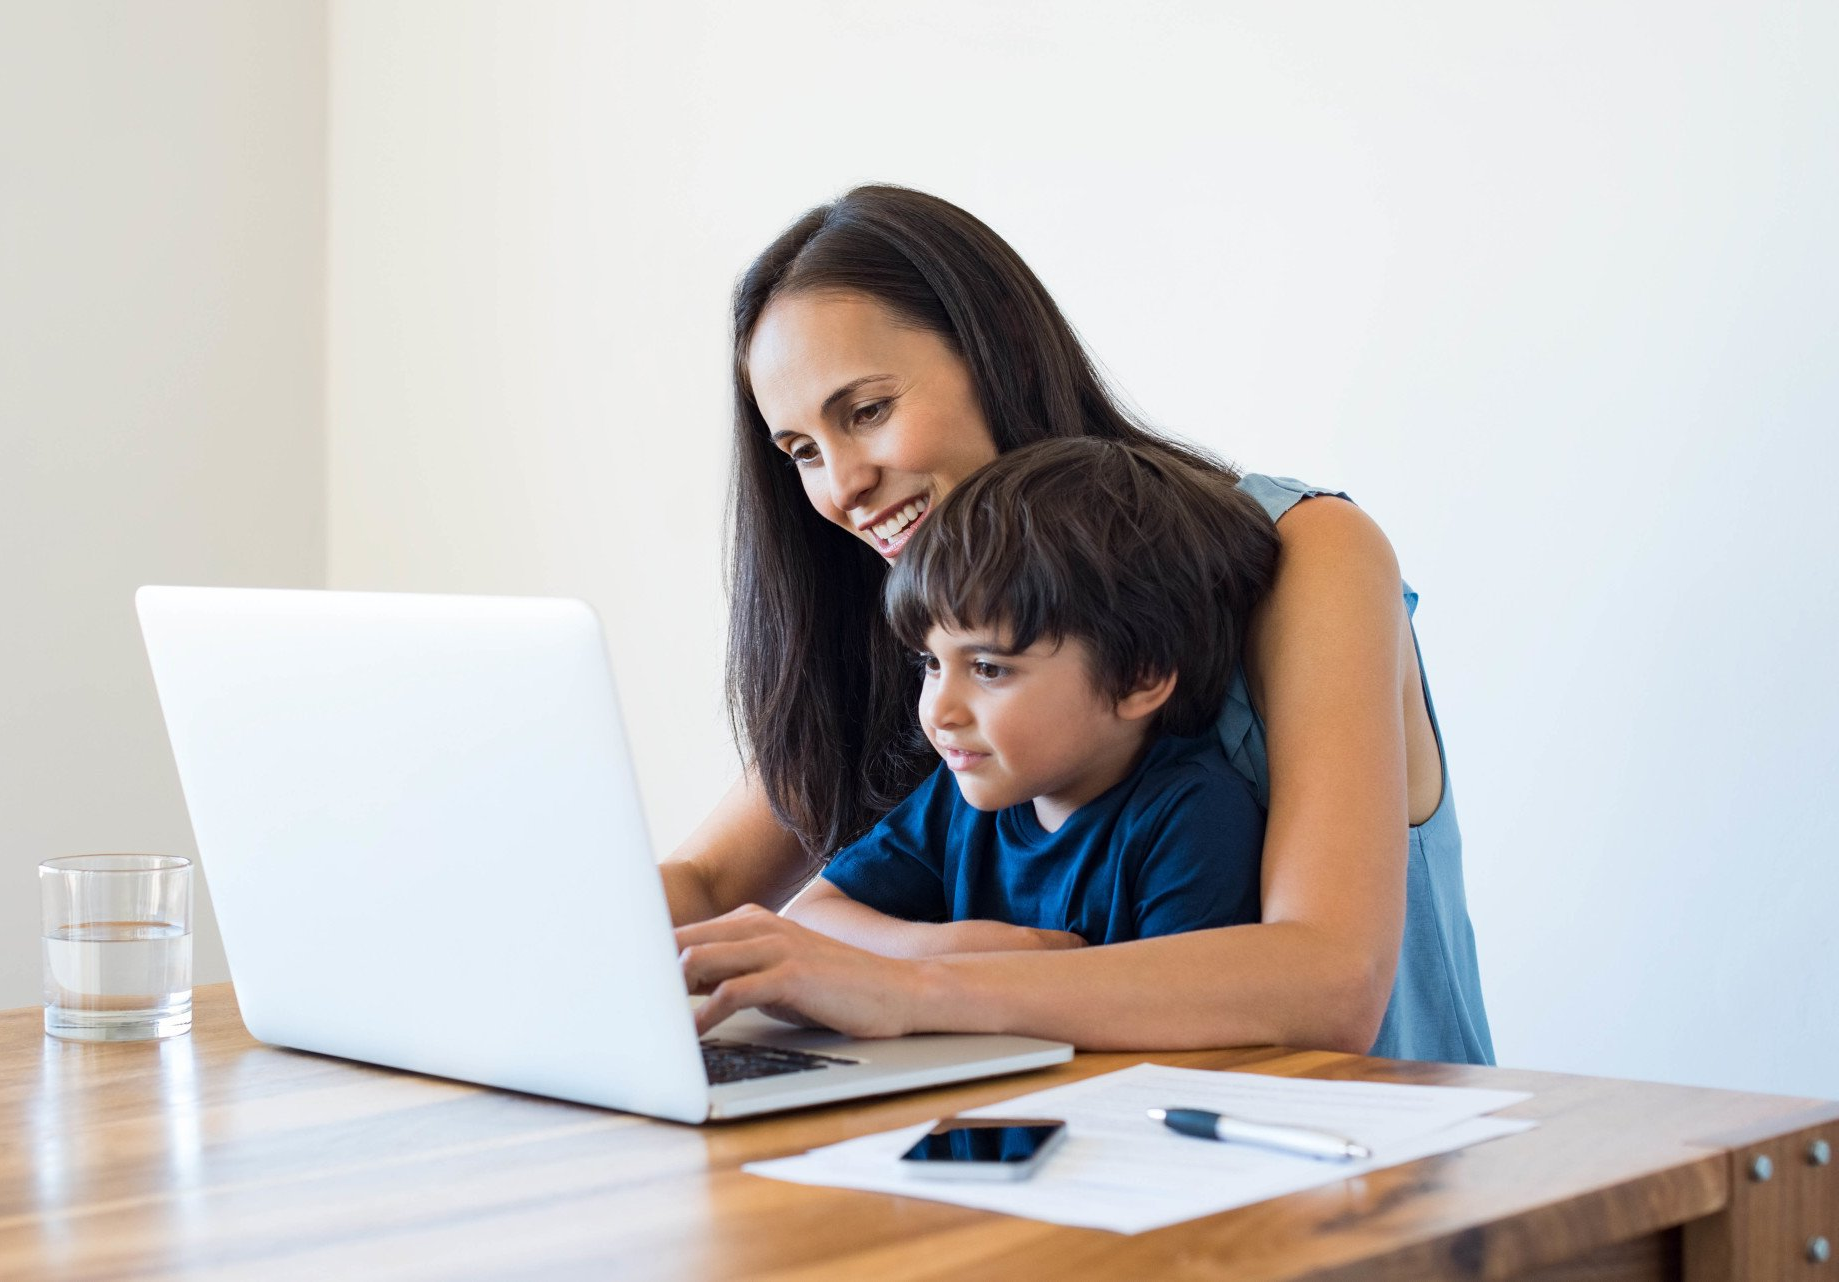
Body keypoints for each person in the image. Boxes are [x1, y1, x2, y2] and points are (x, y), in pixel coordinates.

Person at [667, 184, 1494, 1063]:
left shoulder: (1303, 551)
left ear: (1000, 357)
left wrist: (909, 985)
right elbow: (712, 883)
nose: (838, 489)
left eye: (867, 411)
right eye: (800, 452)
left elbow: (1328, 982)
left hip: (1370, 1166)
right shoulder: (923, 615)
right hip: (1099, 1157)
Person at [788, 436, 1276, 954]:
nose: (939, 711)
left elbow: (1184, 1010)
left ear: (1139, 678)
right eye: (931, 662)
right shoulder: (962, 791)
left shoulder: (1194, 818)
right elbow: (811, 918)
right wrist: (946, 953)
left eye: (988, 669)